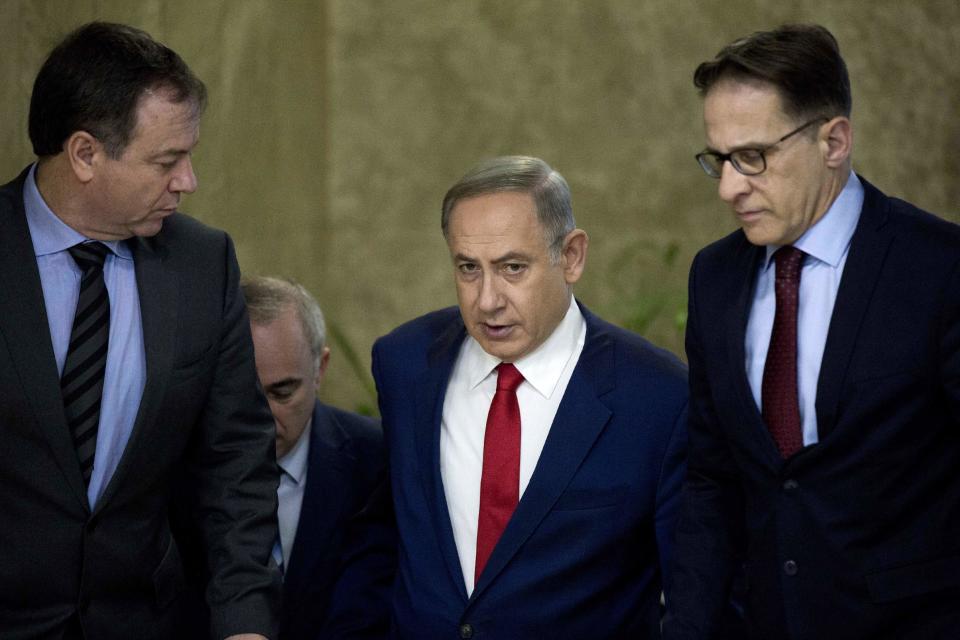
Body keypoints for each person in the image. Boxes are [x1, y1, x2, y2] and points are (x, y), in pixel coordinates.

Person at [663, 24, 960, 640]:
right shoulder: (714, 276)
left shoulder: (939, 269)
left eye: (753, 157)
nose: (728, 187)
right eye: (718, 160)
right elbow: (712, 481)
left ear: (834, 141)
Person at [0, 22, 280, 639]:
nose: (188, 181)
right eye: (166, 161)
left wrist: (245, 622)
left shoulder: (203, 264)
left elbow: (235, 462)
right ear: (85, 155)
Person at [371, 155, 688, 638]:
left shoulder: (656, 397)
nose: (487, 300)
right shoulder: (405, 363)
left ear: (572, 256)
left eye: (513, 268)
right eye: (468, 269)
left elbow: (695, 598)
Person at [241, 276, 395, 639]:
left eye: (282, 392)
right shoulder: (179, 465)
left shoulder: (377, 460)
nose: (264, 416)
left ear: (320, 369)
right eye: (245, 395)